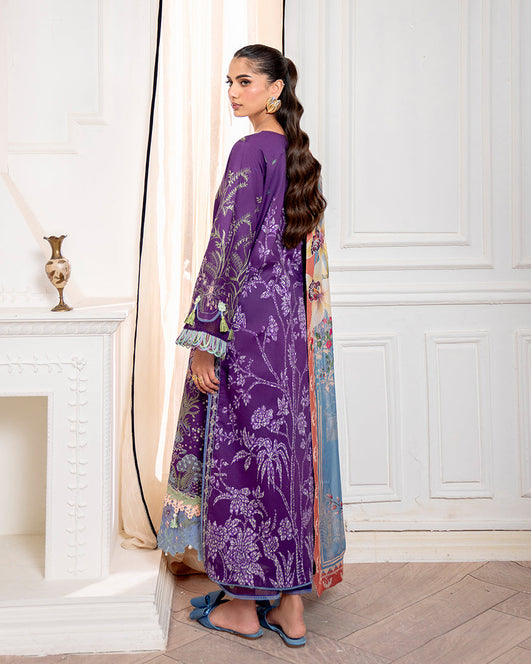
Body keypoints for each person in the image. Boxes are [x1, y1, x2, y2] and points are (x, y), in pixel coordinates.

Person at [158, 44, 345, 648]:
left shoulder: (250, 150)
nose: (234, 93)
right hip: (291, 336)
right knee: (285, 457)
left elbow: (228, 247)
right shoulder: (299, 154)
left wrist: (205, 340)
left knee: (242, 460)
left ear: (275, 89)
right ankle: (291, 609)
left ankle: (242, 607)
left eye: (245, 82)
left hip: (246, 331)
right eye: (229, 82)